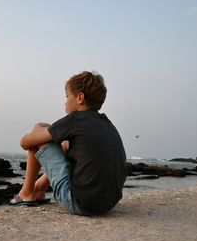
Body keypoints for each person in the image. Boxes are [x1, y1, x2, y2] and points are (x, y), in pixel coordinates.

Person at [9, 71, 127, 216]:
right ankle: (38, 189)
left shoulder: (76, 119)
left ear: (80, 98)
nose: (65, 102)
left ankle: (26, 193)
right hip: (108, 204)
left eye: (67, 97)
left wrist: (35, 134)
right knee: (65, 144)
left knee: (40, 128)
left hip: (80, 204)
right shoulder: (108, 124)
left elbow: (25, 143)